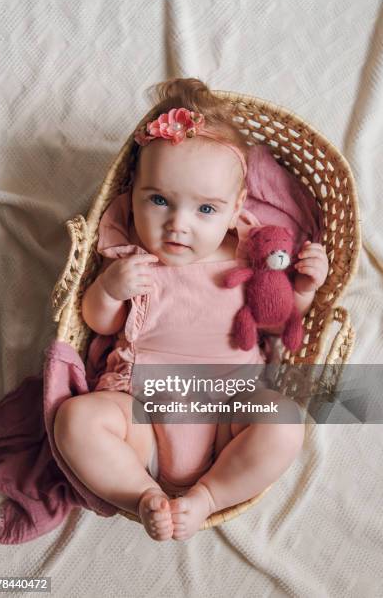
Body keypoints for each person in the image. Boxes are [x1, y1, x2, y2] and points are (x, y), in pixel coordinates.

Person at [53, 78, 329, 541]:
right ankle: (142, 493)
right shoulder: (133, 258)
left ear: (236, 208)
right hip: (142, 414)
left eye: (205, 209)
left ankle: (207, 496)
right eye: (159, 200)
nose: (178, 225)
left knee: (283, 422)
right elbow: (97, 322)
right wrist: (109, 287)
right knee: (75, 420)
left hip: (229, 413)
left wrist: (304, 286)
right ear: (133, 193)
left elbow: (277, 319)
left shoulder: (248, 255)